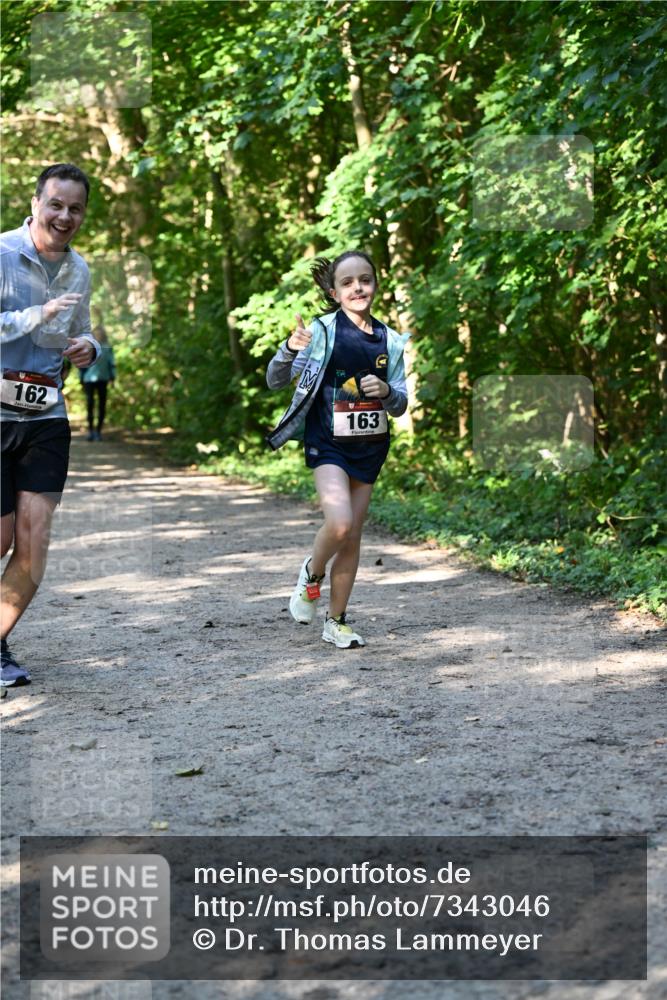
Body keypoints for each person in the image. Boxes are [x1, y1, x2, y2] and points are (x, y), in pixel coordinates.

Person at [266, 251, 409, 648]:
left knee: (353, 536)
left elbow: (400, 403)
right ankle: (312, 574)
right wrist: (290, 348)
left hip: (370, 446)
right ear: (334, 291)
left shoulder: (390, 341)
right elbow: (275, 380)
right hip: (326, 442)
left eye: (365, 279)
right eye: (347, 282)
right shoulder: (322, 331)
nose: (357, 287)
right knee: (340, 523)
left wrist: (386, 392)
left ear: (376, 285)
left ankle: (337, 621)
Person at [1, 163, 100, 687]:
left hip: (45, 417)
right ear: (36, 202)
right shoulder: (1, 254)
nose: (65, 216)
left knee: (33, 543)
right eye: (56, 204)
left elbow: (80, 332)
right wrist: (33, 316)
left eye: (75, 209)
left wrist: (90, 348)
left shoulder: (80, 270)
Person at [80, 325, 116, 441]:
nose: (98, 335)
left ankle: (98, 432)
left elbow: (112, 364)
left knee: (102, 405)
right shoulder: (89, 347)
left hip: (103, 379)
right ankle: (90, 431)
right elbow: (82, 365)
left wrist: (113, 378)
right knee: (90, 404)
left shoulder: (108, 348)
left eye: (100, 333)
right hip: (88, 380)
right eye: (96, 333)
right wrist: (81, 379)